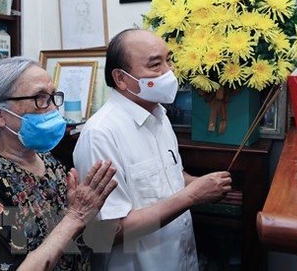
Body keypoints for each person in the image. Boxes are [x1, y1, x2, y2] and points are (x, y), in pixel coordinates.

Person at [72, 28, 232, 270]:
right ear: (121, 79)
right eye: (155, 65)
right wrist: (192, 196)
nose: (169, 72)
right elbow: (104, 234)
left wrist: (199, 183)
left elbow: (168, 176)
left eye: (168, 60)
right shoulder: (100, 135)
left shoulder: (158, 115)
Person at [0, 57, 118, 270]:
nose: (53, 107)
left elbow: (76, 242)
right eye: (40, 98)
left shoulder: (49, 161)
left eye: (53, 96)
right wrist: (74, 217)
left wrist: (86, 215)